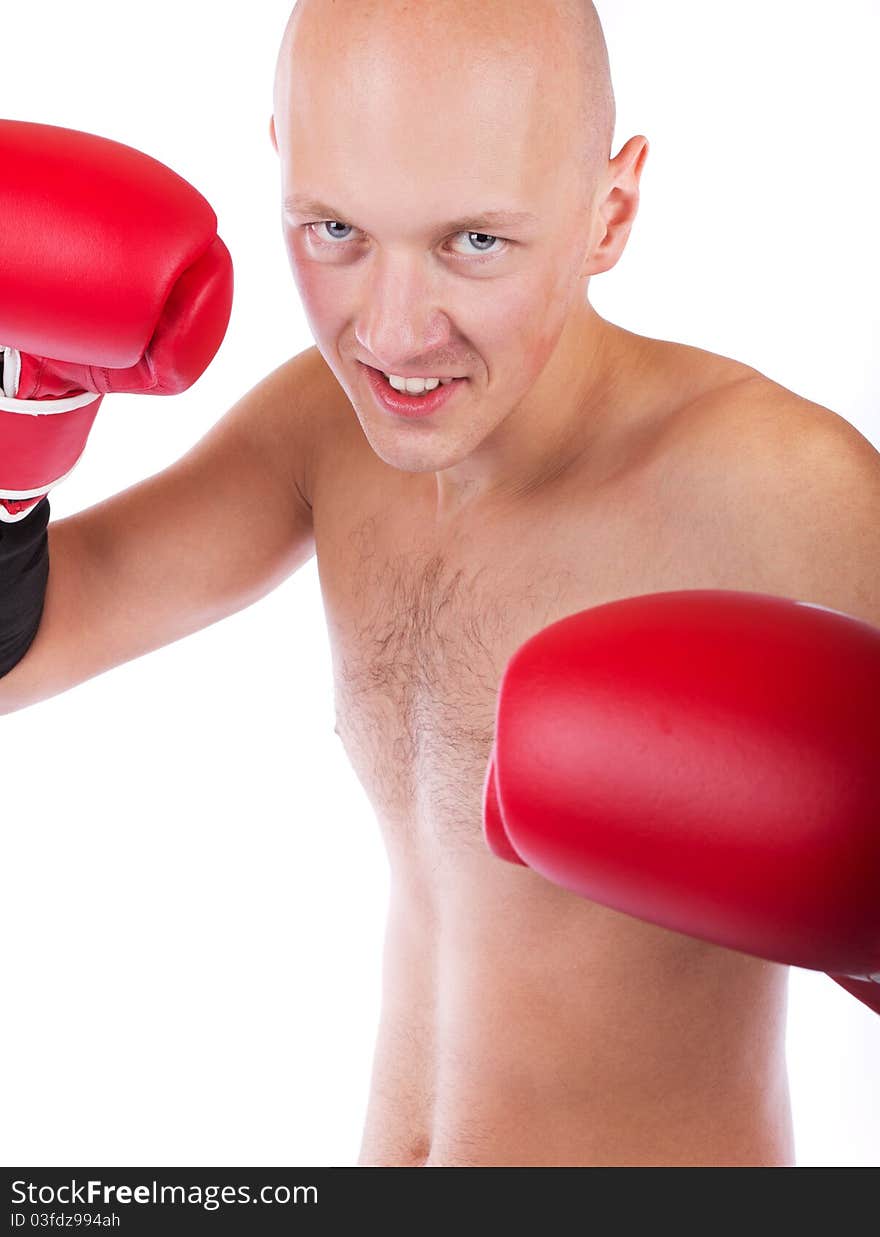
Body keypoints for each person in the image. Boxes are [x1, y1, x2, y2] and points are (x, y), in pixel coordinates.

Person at [2, 0, 879, 1166]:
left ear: (608, 212)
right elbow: (24, 652)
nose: (394, 331)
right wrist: (13, 442)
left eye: (475, 242)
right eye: (334, 231)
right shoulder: (328, 428)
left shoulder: (774, 487)